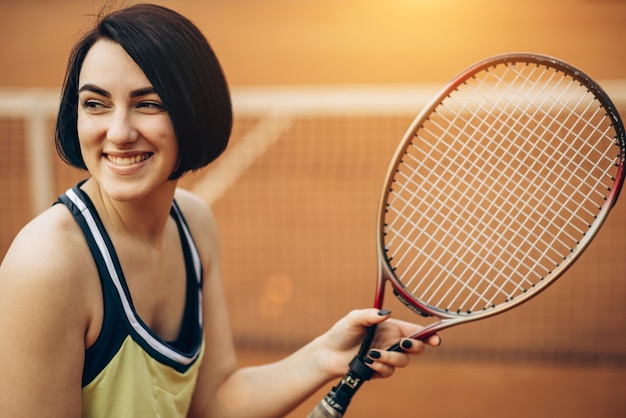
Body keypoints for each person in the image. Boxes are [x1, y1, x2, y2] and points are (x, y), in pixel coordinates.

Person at [0, 3, 440, 417]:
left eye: (148, 104)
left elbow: (215, 400)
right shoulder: (48, 266)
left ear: (194, 110)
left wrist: (327, 355)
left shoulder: (193, 223)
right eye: (94, 103)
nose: (118, 133)